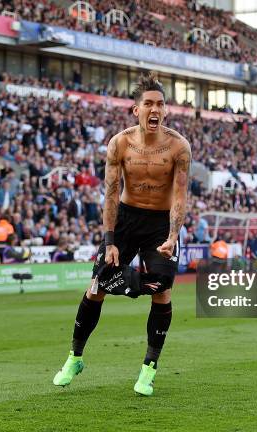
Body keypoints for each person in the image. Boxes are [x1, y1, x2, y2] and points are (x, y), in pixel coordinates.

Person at [53, 72, 191, 396]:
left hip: (160, 223)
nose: (154, 109)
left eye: (160, 104)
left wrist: (173, 235)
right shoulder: (119, 143)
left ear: (166, 110)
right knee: (97, 286)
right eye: (148, 104)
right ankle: (75, 357)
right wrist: (111, 241)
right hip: (126, 220)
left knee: (162, 289)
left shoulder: (179, 147)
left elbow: (181, 195)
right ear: (136, 110)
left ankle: (148, 369)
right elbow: (111, 193)